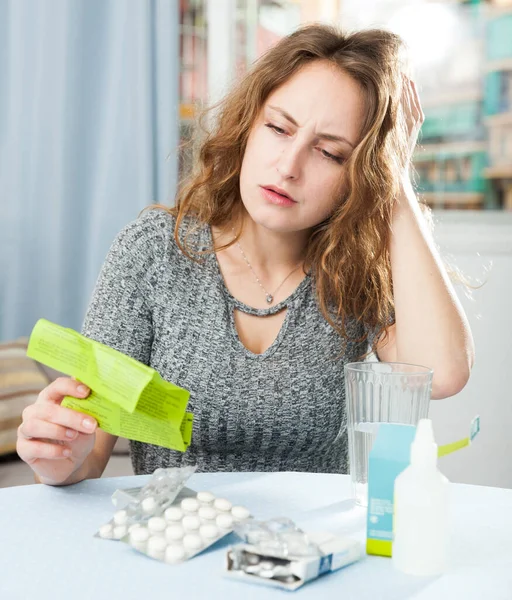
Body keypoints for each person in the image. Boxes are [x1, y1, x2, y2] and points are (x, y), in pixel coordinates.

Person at [17, 25, 474, 486]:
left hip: (312, 548)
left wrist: (393, 175)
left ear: (360, 173)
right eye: (278, 128)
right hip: (175, 544)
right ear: (247, 126)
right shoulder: (152, 250)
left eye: (330, 153)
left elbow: (442, 375)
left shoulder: (353, 272)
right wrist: (60, 455)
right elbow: (89, 451)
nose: (288, 166)